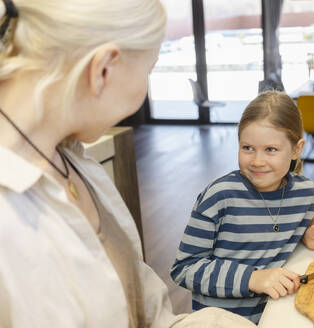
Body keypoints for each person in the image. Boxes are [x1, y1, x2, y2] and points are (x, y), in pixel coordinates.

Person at [0, 0, 256, 327]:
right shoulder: (8, 218)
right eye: (149, 70)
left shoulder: (72, 159)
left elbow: (136, 307)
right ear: (104, 67)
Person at [170, 90, 314, 324]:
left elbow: (278, 233)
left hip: (276, 316)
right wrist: (252, 278)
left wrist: (306, 236)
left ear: (296, 149)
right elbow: (184, 268)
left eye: (270, 149)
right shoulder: (219, 196)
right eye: (247, 148)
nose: (257, 161)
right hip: (220, 321)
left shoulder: (305, 195)